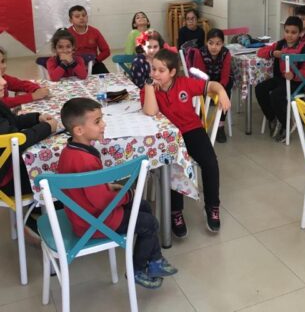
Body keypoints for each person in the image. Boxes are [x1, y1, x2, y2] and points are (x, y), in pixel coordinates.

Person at [57, 98, 177, 289]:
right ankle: (137, 269)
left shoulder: (69, 151)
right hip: (94, 222)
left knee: (144, 206)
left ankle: (155, 260)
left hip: (83, 213)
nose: (103, 124)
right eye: (97, 121)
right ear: (79, 130)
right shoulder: (86, 161)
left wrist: (107, 187)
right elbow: (103, 202)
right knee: (149, 223)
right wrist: (129, 194)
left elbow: (83, 188)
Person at [141, 49, 230, 238]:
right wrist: (149, 87)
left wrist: (221, 91)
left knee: (210, 162)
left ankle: (212, 206)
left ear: (172, 72)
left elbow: (212, 85)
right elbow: (150, 111)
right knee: (172, 164)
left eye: (161, 70)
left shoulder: (184, 83)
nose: (155, 74)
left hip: (192, 130)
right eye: (153, 69)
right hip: (169, 136)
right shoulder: (150, 88)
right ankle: (176, 212)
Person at [255, 16, 305, 143]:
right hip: (281, 79)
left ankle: (287, 124)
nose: (289, 35)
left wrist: (294, 75)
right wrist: (272, 53)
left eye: (294, 32)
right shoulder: (280, 44)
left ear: (300, 33)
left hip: (298, 83)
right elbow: (260, 52)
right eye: (287, 31)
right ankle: (273, 118)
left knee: (276, 95)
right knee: (259, 89)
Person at [0, 71, 58, 198]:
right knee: (57, 173)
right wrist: (47, 127)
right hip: (7, 180)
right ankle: (51, 207)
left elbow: (12, 121)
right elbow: (17, 141)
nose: (4, 82)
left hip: (9, 167)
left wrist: (37, 118)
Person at [192, 28, 233, 143]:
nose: (214, 47)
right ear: (206, 43)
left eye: (218, 44)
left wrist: (220, 90)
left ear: (222, 44)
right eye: (211, 43)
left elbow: (225, 76)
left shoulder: (226, 53)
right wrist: (210, 87)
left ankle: (220, 125)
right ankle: (199, 126)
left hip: (222, 80)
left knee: (226, 90)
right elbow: (201, 76)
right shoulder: (200, 53)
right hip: (205, 80)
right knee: (199, 92)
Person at [68, 5, 111, 74]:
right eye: (77, 16)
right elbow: (62, 52)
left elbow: (106, 51)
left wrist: (95, 61)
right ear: (71, 20)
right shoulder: (67, 34)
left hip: (94, 64)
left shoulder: (95, 32)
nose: (81, 18)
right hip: (74, 65)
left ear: (87, 17)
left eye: (84, 15)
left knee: (106, 77)